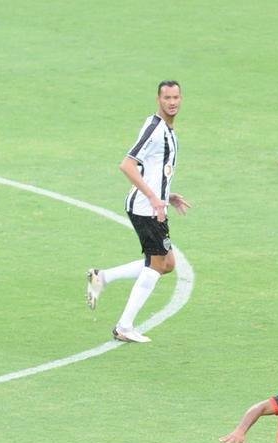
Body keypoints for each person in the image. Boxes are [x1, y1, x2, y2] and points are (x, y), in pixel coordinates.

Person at [86, 80, 191, 344]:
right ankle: (124, 326)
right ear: (159, 99)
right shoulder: (155, 129)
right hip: (146, 209)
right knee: (157, 265)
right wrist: (156, 199)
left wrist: (168, 196)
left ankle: (102, 277)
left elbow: (155, 170)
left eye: (176, 97)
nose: (172, 102)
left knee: (167, 264)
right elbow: (127, 165)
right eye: (167, 97)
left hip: (154, 204)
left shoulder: (169, 131)